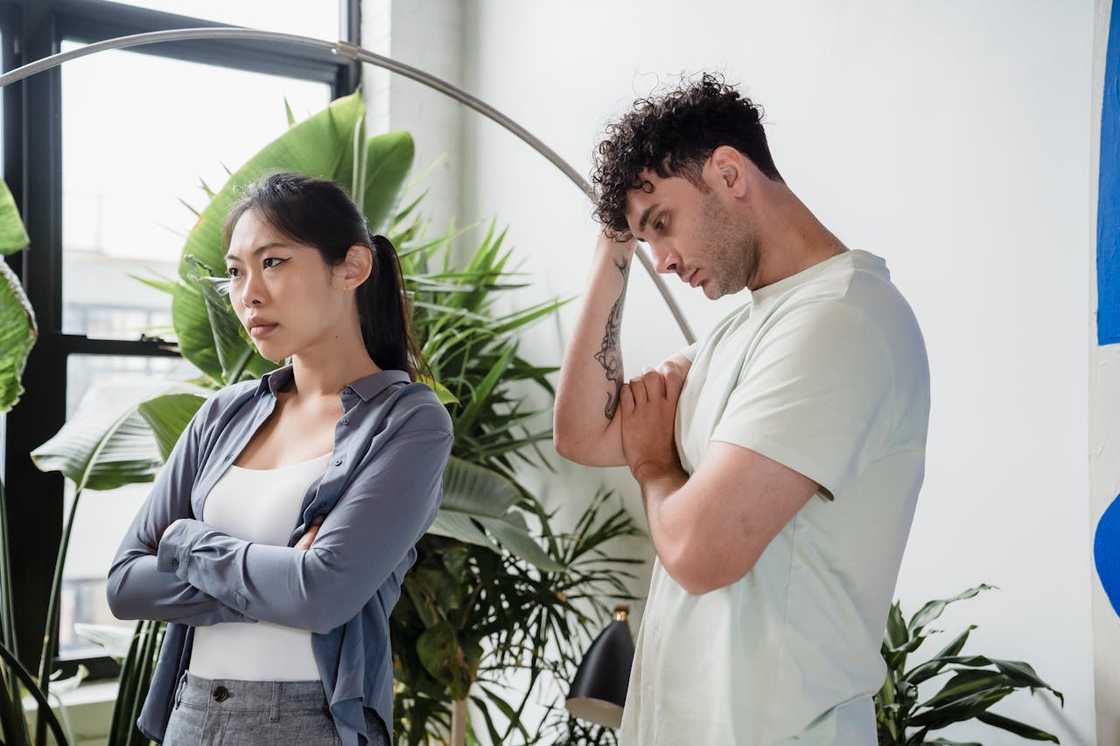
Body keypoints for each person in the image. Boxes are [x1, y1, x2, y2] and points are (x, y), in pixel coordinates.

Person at [554, 74, 931, 745]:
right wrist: (615, 246)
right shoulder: (739, 331)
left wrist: (653, 464)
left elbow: (701, 552)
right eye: (646, 241)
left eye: (661, 225)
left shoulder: (841, 319)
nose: (662, 262)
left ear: (729, 173)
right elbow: (583, 431)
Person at [106, 172, 453, 746]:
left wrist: (187, 542)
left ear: (352, 268)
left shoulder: (409, 422)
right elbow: (124, 584)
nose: (250, 294)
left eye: (274, 263)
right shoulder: (223, 413)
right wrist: (276, 580)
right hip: (189, 716)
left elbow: (320, 596)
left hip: (307, 722)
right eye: (237, 271)